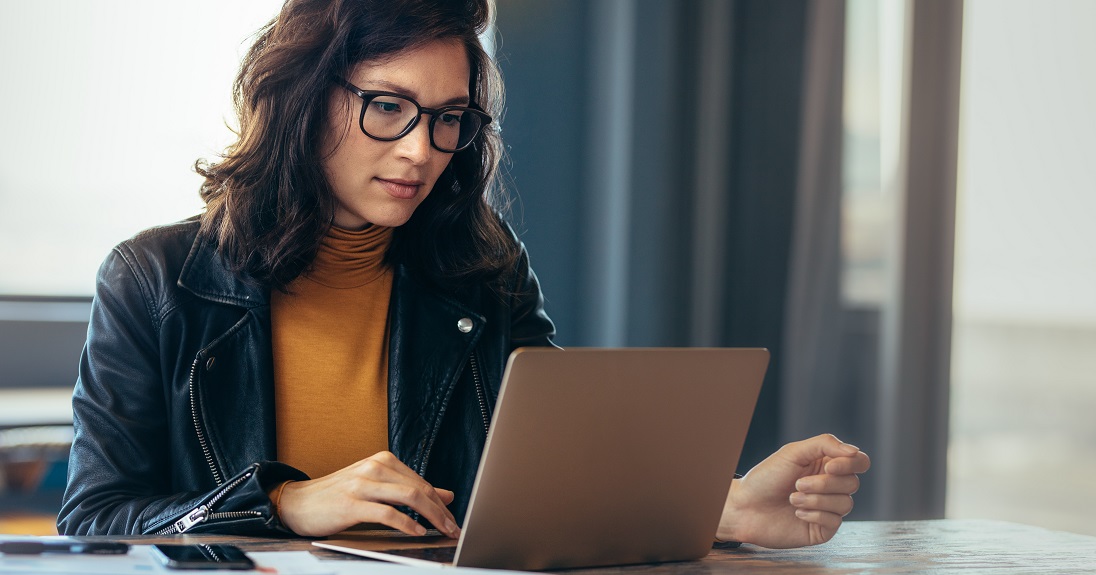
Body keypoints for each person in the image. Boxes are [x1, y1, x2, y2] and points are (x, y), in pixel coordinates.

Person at [57, 0, 870, 549]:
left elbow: (556, 475)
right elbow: (94, 520)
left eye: (448, 118)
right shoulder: (155, 279)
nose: (420, 149)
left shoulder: (481, 266)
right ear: (302, 97)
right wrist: (281, 505)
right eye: (387, 106)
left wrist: (721, 505)